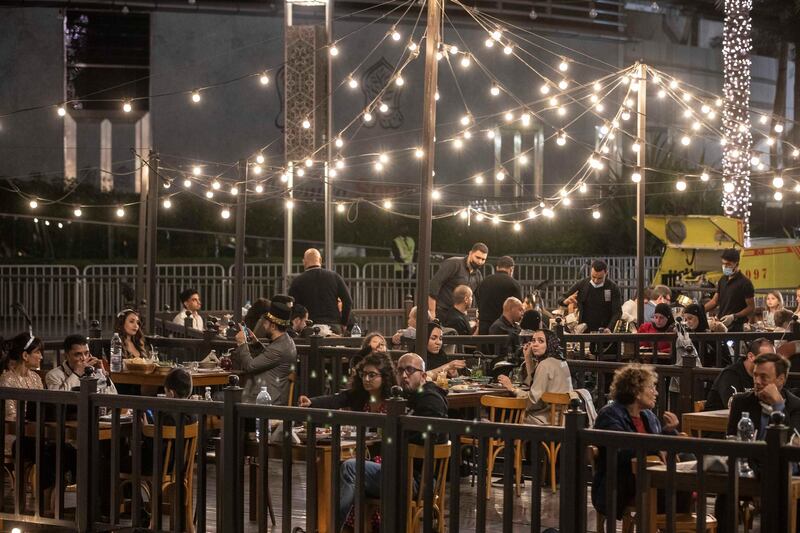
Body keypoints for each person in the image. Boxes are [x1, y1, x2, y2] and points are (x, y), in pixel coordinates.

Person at [337, 352, 447, 531]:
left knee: (350, 468)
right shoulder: (405, 397)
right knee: (342, 467)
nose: (404, 375)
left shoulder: (431, 399)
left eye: (410, 370)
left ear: (424, 375)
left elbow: (428, 436)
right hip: (399, 472)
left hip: (416, 479)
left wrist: (391, 438)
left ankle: (332, 526)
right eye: (400, 370)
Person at [591, 364, 681, 521]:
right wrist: (655, 448)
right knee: (676, 489)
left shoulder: (648, 416)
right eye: (651, 388)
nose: (656, 392)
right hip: (621, 484)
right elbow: (621, 451)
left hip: (651, 477)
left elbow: (659, 444)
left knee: (685, 470)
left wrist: (669, 431)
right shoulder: (610, 415)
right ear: (636, 391)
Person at [0, 333, 77, 494]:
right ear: (25, 355)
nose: (41, 356)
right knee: (45, 451)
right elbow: (10, 415)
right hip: (13, 435)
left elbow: (44, 407)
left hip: (36, 433)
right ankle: (45, 498)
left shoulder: (35, 377)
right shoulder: (7, 379)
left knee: (67, 449)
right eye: (37, 352)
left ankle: (58, 493)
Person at [497, 328, 573, 424]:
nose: (535, 344)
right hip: (562, 419)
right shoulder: (561, 361)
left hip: (546, 420)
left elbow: (533, 402)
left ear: (549, 344)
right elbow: (534, 382)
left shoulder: (545, 364)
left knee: (507, 417)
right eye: (533, 340)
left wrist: (512, 388)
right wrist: (528, 357)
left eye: (541, 341)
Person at [232, 295, 298, 405]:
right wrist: (255, 343)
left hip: (266, 402)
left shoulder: (279, 348)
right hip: (267, 396)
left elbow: (250, 366)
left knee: (221, 397)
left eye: (266, 322)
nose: (263, 324)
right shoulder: (285, 341)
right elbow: (269, 358)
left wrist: (242, 344)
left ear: (273, 326)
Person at [299, 352, 396, 412]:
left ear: (385, 377)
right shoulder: (357, 394)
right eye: (363, 374)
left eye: (372, 375)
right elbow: (335, 399)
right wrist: (311, 401)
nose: (366, 379)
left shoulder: (395, 399)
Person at [288, 248, 353, 334]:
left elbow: (292, 306)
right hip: (333, 326)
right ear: (320, 260)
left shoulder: (297, 281)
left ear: (304, 262)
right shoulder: (334, 277)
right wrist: (344, 323)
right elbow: (348, 301)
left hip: (309, 329)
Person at [704, 337, 774, 411]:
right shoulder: (730, 374)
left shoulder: (766, 377)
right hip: (713, 420)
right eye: (766, 358)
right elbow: (733, 406)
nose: (771, 364)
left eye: (773, 360)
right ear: (751, 356)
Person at [428, 243, 488, 319]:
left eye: (483, 259)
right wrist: (432, 311)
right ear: (470, 253)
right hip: (442, 311)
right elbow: (434, 286)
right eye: (477, 257)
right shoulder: (454, 264)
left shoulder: (478, 275)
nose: (480, 262)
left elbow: (481, 298)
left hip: (459, 316)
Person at [559, 260, 622, 332]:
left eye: (600, 278)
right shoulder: (582, 284)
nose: (595, 281)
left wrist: (609, 328)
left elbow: (617, 312)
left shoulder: (613, 287)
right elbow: (561, 298)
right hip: (584, 329)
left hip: (604, 329)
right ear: (590, 272)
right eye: (593, 277)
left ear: (606, 273)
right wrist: (565, 301)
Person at [703, 249, 754, 332]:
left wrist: (733, 316)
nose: (725, 266)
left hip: (737, 327)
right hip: (721, 324)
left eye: (728, 264)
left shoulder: (745, 283)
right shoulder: (722, 280)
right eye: (723, 263)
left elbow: (751, 307)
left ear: (736, 264)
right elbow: (714, 301)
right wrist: (699, 310)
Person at [46, 334, 117, 394]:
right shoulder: (53, 375)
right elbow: (60, 400)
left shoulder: (93, 371)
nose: (84, 358)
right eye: (78, 354)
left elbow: (113, 395)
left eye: (86, 353)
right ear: (66, 356)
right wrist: (77, 373)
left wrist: (102, 372)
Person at [475, 255, 522, 334]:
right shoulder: (514, 284)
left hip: (484, 327)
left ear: (497, 268)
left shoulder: (484, 282)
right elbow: (518, 307)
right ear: (511, 269)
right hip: (503, 328)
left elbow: (478, 299)